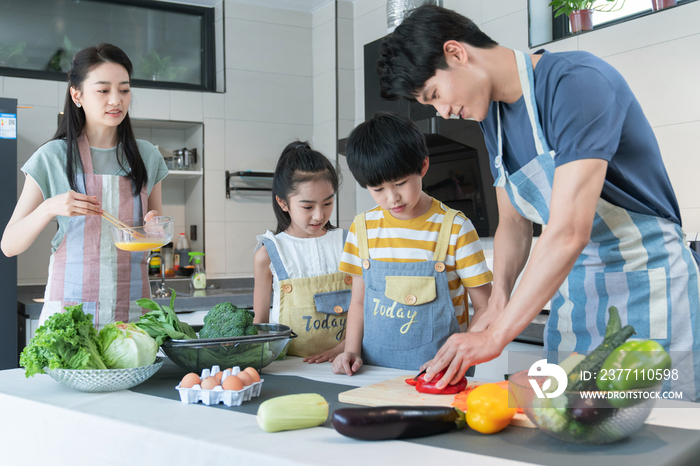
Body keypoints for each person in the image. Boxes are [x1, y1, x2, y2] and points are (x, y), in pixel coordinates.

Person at [376, 5, 700, 400]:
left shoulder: (576, 83)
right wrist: (498, 301)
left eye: (435, 95)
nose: (443, 111)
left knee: (655, 437)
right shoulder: (491, 119)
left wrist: (497, 336)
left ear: (456, 53)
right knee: (570, 428)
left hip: (648, 287)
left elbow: (567, 231)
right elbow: (513, 222)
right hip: (575, 295)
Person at [1, 44, 168, 329]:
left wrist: (154, 228)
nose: (116, 100)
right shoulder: (52, 157)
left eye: (124, 90)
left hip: (133, 314)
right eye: (103, 90)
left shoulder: (148, 157)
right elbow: (9, 245)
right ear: (77, 95)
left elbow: (154, 229)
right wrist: (50, 207)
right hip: (71, 312)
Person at [332, 112, 493, 375]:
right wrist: (351, 350)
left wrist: (459, 357)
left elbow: (485, 306)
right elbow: (359, 302)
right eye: (378, 189)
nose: (392, 198)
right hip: (371, 373)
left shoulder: (455, 228)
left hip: (441, 375)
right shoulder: (361, 229)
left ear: (423, 167)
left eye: (400, 183)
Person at [253, 141, 351, 363]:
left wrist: (345, 349)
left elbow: (365, 307)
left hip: (346, 361)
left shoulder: (349, 243)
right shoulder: (269, 253)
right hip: (290, 366)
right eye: (308, 207)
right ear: (283, 203)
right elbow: (260, 323)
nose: (319, 215)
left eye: (328, 203)